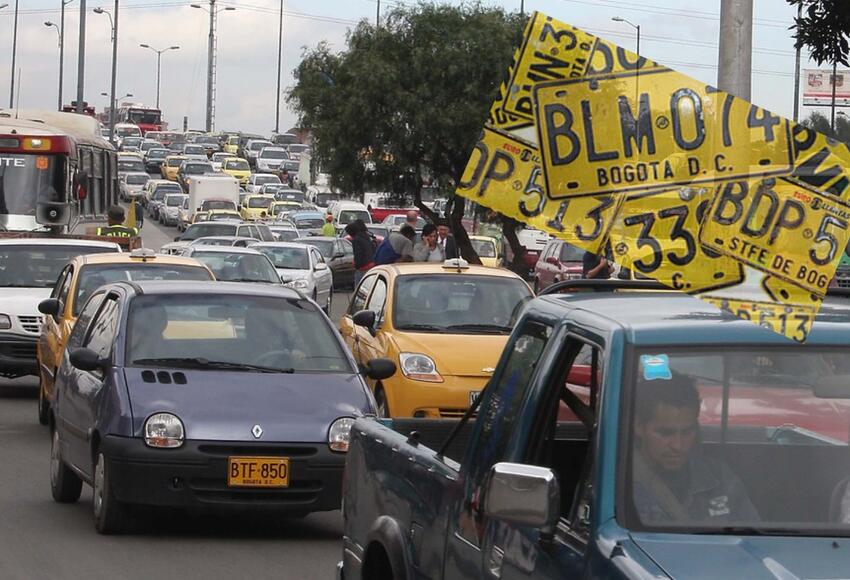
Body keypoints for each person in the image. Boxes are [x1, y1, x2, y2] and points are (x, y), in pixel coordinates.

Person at [632, 372, 759, 523]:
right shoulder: (619, 484)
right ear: (639, 426)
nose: (678, 445)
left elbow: (753, 534)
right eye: (665, 433)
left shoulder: (720, 479)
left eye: (687, 432)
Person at [347, 220, 375, 286]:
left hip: (362, 268)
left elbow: (358, 255)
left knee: (359, 289)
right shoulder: (367, 237)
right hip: (371, 266)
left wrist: (356, 265)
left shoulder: (356, 240)